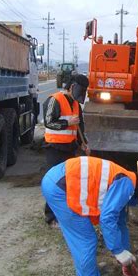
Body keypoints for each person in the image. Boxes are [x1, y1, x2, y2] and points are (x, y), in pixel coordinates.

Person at [41, 156, 138, 276]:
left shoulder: (126, 180)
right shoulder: (126, 184)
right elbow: (107, 218)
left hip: (58, 180)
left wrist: (126, 257)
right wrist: (118, 251)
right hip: (60, 188)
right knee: (86, 241)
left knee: (86, 240)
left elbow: (120, 223)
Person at [42, 74, 90, 225]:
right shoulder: (54, 100)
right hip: (54, 148)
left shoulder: (76, 105)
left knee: (69, 182)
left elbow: (80, 126)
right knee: (55, 182)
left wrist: (84, 143)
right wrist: (67, 122)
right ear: (72, 87)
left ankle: (66, 212)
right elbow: (49, 122)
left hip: (70, 148)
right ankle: (50, 216)